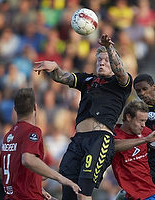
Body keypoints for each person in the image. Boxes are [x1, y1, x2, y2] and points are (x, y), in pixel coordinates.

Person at [33, 34, 132, 200]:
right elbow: (62, 77)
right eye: (99, 60)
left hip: (99, 139)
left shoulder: (121, 83)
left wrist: (109, 48)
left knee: (83, 195)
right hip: (78, 139)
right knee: (68, 192)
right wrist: (54, 67)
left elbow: (121, 71)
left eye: (106, 60)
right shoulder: (87, 79)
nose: (102, 63)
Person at [0, 88, 80, 200]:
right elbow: (28, 159)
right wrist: (60, 178)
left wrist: (37, 187)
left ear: (15, 109)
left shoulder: (9, 135)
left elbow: (2, 174)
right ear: (35, 107)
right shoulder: (32, 131)